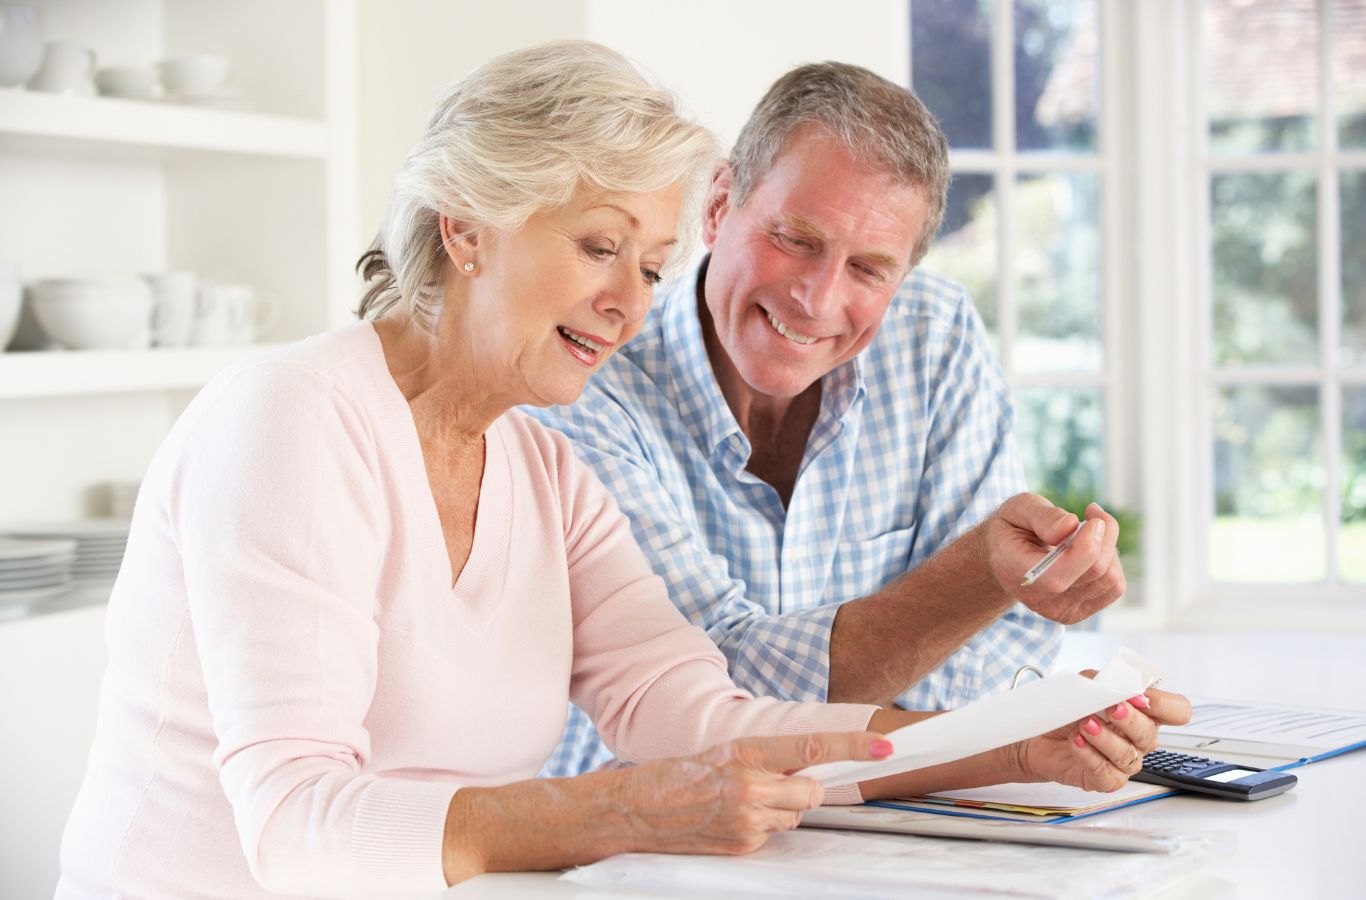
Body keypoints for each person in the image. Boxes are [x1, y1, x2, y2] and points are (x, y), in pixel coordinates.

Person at [56, 42, 1185, 900]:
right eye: (597, 248)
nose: (629, 303)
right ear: (468, 227)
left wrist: (1010, 748)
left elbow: (697, 711)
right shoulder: (293, 419)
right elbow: (297, 825)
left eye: (649, 266)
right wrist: (622, 810)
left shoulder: (541, 464)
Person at [531, 62, 1134, 778]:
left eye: (870, 269)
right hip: (634, 854)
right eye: (796, 239)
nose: (817, 299)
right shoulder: (587, 381)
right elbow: (699, 701)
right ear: (720, 204)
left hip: (903, 829)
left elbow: (999, 655)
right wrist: (974, 577)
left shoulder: (933, 339)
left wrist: (981, 657)